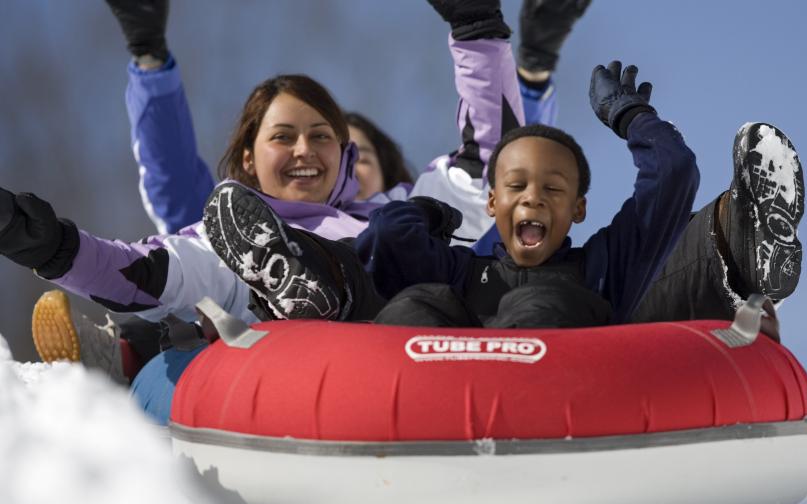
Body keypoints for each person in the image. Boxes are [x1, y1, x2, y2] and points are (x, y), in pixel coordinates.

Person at [28, 0, 526, 384]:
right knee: (178, 329)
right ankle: (139, 351)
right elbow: (146, 272)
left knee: (415, 239)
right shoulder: (232, 238)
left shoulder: (400, 207)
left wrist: (477, 28)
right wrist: (52, 247)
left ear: (346, 155)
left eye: (321, 136)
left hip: (433, 348)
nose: (304, 149)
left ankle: (333, 288)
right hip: (315, 372)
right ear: (249, 157)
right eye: (283, 136)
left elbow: (492, 158)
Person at [204, 60, 702, 328]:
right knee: (418, 299)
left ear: (578, 208)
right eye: (515, 186)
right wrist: (425, 211)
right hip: (441, 402)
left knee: (543, 304)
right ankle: (298, 269)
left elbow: (673, 174)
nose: (532, 199)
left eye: (553, 188)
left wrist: (632, 117)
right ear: (492, 205)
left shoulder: (603, 267)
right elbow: (387, 237)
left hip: (552, 400)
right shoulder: (466, 271)